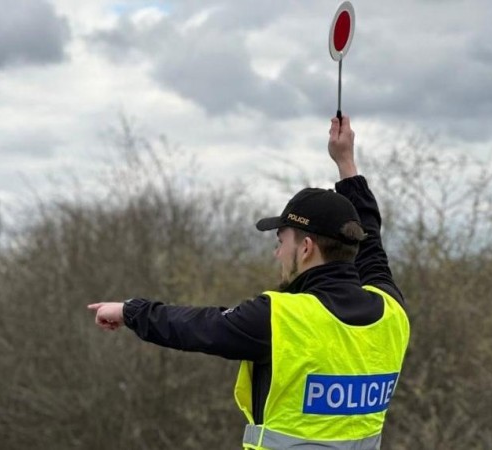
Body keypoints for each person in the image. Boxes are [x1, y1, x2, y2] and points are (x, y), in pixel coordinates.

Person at [87, 116, 410, 450]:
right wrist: (347, 164)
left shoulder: (283, 318)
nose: (277, 254)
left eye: (280, 241)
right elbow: (370, 243)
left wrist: (130, 311)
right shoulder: (391, 311)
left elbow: (195, 326)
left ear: (306, 247)